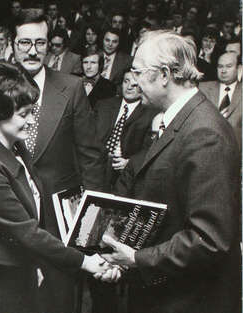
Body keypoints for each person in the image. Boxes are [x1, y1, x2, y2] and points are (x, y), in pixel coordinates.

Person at [0, 61, 120, 313]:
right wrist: (86, 262)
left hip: (17, 271)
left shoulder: (15, 146)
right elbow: (27, 232)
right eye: (23, 114)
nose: (32, 120)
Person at [102, 30, 241, 313]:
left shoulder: (204, 133)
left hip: (189, 301)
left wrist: (137, 258)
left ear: (164, 75)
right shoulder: (179, 119)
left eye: (138, 72)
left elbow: (209, 238)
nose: (133, 81)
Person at [94, 69, 159, 192]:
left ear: (143, 88)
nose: (129, 87)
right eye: (126, 82)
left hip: (123, 176)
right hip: (95, 168)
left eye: (135, 85)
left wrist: (130, 163)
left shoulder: (151, 114)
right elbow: (87, 137)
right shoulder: (103, 105)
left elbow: (150, 148)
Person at [199, 52, 242, 149]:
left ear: (239, 69)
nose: (223, 70)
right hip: (206, 148)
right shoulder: (202, 89)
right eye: (220, 66)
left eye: (228, 66)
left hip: (236, 151)